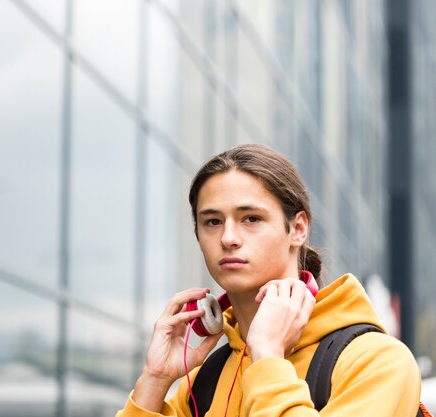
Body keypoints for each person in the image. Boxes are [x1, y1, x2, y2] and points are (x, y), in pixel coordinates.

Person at [116, 144, 421, 416]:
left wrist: (268, 358)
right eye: (212, 221)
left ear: (298, 229)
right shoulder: (204, 383)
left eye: (251, 218)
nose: (228, 238)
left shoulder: (378, 362)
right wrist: (154, 379)